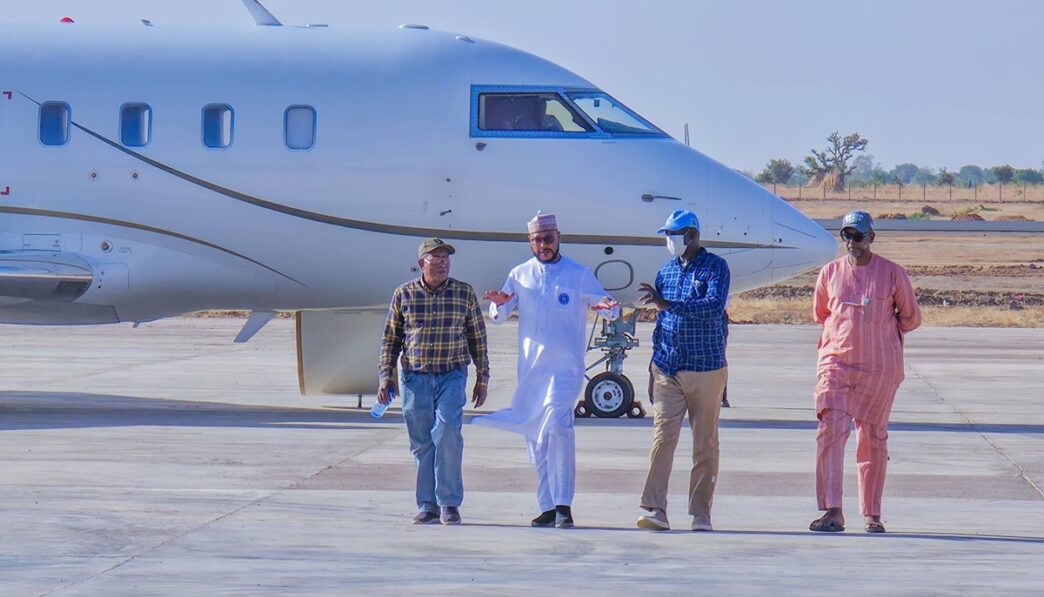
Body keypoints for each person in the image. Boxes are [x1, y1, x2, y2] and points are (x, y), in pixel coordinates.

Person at [474, 212, 620, 529]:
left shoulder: (577, 274)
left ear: (558, 238)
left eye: (548, 239)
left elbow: (607, 304)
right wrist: (498, 303)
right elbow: (499, 316)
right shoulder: (520, 274)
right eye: (537, 240)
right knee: (537, 438)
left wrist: (608, 307)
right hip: (532, 372)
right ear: (530, 242)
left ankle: (564, 504)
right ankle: (548, 506)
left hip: (565, 369)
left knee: (557, 425)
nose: (543, 245)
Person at [809, 210, 921, 534]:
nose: (852, 242)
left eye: (858, 236)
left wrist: (880, 334)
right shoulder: (829, 273)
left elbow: (911, 317)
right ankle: (832, 511)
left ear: (871, 237)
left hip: (879, 368)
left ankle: (872, 514)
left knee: (872, 438)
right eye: (846, 236)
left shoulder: (892, 274)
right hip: (836, 362)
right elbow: (821, 314)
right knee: (829, 430)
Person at [378, 238, 490, 526]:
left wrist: (483, 377)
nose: (442, 262)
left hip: (452, 375)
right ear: (421, 263)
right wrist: (384, 376)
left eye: (446, 258)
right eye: (435, 257)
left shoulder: (463, 293)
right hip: (415, 378)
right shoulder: (403, 294)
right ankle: (427, 504)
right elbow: (390, 339)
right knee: (422, 443)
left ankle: (449, 502)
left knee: (449, 432)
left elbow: (478, 337)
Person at [635, 209, 730, 532]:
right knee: (663, 438)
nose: (669, 241)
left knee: (704, 442)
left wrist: (669, 304)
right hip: (667, 368)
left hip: (705, 367)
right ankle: (655, 507)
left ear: (692, 235)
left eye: (674, 235)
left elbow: (713, 307)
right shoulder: (666, 272)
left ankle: (700, 512)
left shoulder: (715, 268)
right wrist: (652, 366)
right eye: (667, 235)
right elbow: (662, 323)